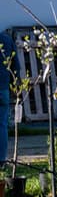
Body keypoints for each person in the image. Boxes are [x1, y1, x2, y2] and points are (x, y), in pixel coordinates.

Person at [0, 30, 16, 167]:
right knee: (2, 125)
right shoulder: (7, 40)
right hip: (3, 88)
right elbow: (16, 67)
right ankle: (1, 159)